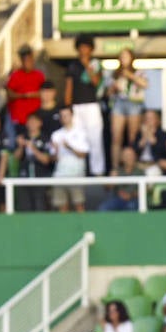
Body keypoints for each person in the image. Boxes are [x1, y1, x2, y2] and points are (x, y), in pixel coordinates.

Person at [65, 36, 105, 176]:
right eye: (81, 47)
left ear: (91, 49)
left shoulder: (95, 64)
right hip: (76, 107)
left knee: (95, 139)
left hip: (92, 106)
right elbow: (69, 86)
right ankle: (78, 171)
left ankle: (98, 172)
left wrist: (88, 65)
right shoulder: (73, 65)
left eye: (86, 47)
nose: (84, 50)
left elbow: (96, 82)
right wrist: (68, 106)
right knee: (77, 139)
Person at [49, 106, 89, 213]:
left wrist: (69, 147)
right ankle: (63, 229)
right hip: (60, 175)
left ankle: (83, 229)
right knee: (62, 207)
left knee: (79, 205)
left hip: (76, 175)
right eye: (62, 116)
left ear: (72, 116)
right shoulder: (56, 135)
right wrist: (56, 151)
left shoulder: (81, 132)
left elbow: (83, 154)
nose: (64, 118)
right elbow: (53, 159)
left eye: (66, 115)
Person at [4, 45, 46, 144]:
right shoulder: (16, 75)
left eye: (30, 60)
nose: (28, 63)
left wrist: (32, 95)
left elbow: (44, 93)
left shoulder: (39, 75)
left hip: (35, 119)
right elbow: (9, 94)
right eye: (25, 60)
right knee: (17, 143)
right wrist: (24, 96)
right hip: (18, 118)